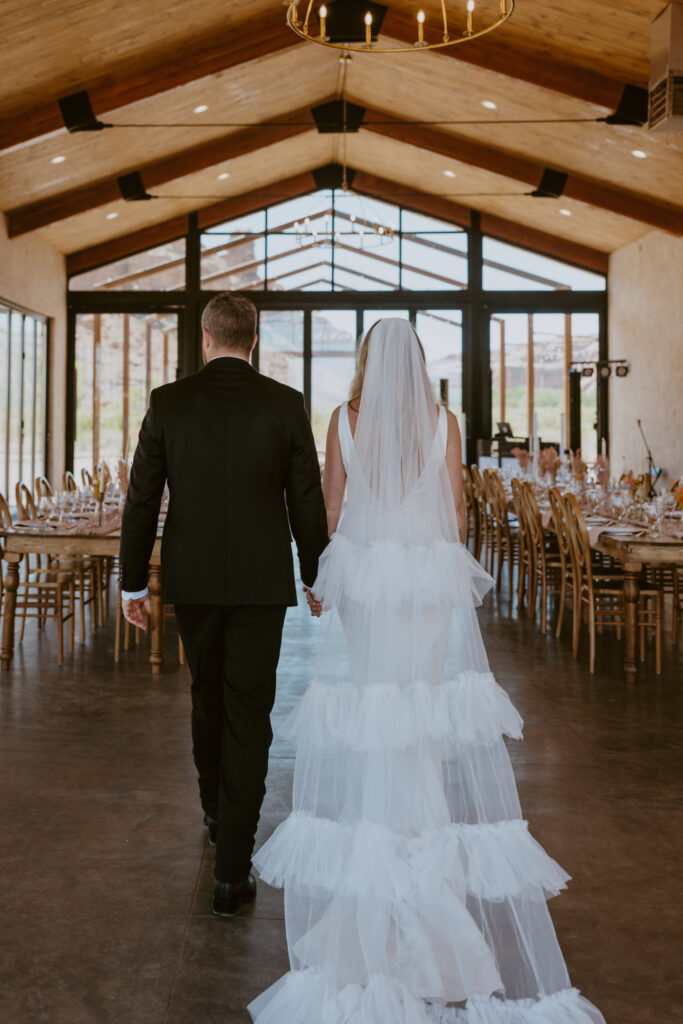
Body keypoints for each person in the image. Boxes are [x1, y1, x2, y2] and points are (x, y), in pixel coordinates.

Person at [248, 319, 605, 1023]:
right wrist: (439, 572)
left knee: (373, 712)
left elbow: (328, 505)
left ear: (365, 364)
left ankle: (378, 876)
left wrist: (322, 581)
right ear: (415, 364)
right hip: (421, 585)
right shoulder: (445, 420)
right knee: (420, 721)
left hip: (366, 583)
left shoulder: (342, 419)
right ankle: (427, 878)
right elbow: (457, 513)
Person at [119, 292, 328, 918]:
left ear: (206, 339)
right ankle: (233, 871)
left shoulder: (168, 403)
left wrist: (134, 584)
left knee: (206, 695)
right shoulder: (286, 405)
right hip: (263, 585)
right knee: (249, 711)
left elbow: (140, 500)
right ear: (253, 340)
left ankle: (215, 812)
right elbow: (308, 502)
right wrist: (318, 576)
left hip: (196, 582)